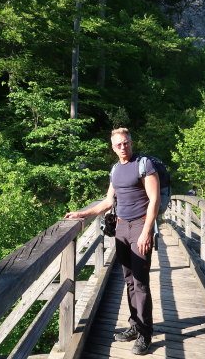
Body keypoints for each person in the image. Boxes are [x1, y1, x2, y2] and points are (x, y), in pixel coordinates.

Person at [64, 127, 160, 355]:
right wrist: (82, 213)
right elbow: (108, 201)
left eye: (126, 143)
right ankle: (134, 326)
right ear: (113, 147)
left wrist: (147, 231)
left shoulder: (144, 165)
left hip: (140, 225)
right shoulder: (115, 170)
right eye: (118, 144)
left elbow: (154, 199)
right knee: (129, 279)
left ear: (131, 142)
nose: (123, 147)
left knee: (141, 282)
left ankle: (146, 334)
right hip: (121, 227)